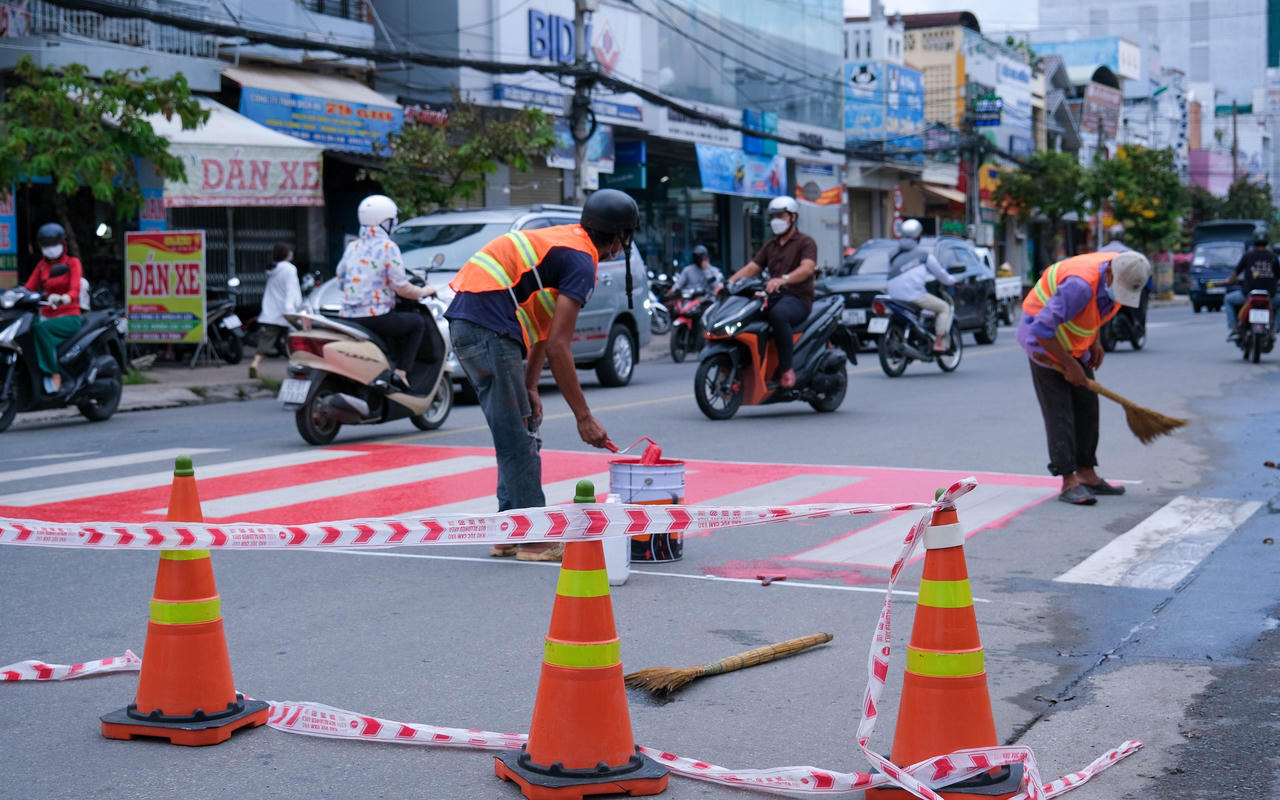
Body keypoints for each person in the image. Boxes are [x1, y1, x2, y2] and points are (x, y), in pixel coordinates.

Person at [446, 189, 638, 563]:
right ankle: (535, 540)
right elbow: (561, 347)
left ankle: (508, 530)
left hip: (471, 323)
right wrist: (583, 417)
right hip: (488, 327)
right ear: (619, 238)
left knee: (515, 427)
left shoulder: (565, 242)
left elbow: (544, 333)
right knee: (520, 438)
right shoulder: (582, 260)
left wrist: (531, 386)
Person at [1017, 250, 1152, 506]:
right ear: (1110, 273)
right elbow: (1041, 329)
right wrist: (1069, 365)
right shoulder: (1079, 286)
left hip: (1072, 342)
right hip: (1043, 344)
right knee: (1060, 411)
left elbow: (1095, 311)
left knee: (1087, 405)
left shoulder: (1126, 266)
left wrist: (1095, 341)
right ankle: (1069, 480)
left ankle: (1087, 473)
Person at [335, 195, 435, 392]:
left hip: (347, 317)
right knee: (417, 323)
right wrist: (424, 291)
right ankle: (401, 373)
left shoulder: (353, 246)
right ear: (385, 222)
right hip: (376, 317)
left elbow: (341, 279)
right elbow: (401, 287)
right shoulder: (389, 247)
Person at [728, 196, 816, 388]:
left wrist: (784, 279)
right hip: (774, 297)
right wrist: (729, 283)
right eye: (773, 216)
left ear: (793, 217)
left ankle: (786, 368)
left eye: (780, 216)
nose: (776, 220)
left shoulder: (805, 242)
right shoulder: (770, 245)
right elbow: (752, 268)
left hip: (798, 298)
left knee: (778, 315)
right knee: (746, 316)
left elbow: (807, 268)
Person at [23, 222, 83, 394]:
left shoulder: (72, 263)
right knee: (27, 327)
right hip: (47, 314)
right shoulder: (42, 266)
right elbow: (29, 288)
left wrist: (65, 298)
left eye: (53, 244)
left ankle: (53, 373)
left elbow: (74, 289)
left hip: (70, 315)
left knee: (41, 329)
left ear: (62, 244)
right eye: (45, 245)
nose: (50, 249)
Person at [885, 218, 958, 352]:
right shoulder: (923, 255)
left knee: (926, 310)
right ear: (918, 236)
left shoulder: (892, 255)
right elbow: (941, 274)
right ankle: (938, 343)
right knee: (944, 308)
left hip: (894, 296)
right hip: (914, 296)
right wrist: (953, 280)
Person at [249, 242, 303, 379]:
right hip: (286, 310)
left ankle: (255, 364)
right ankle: (297, 366)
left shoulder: (273, 270)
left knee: (266, 339)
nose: (291, 253)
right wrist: (290, 310)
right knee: (294, 339)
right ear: (286, 254)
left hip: (271, 311)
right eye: (289, 251)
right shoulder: (290, 269)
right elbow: (291, 290)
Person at [1223, 230, 1279, 338]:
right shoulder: (1273, 257)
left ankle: (1234, 328)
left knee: (1228, 299)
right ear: (1267, 241)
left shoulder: (1248, 256)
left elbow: (1235, 273)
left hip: (1248, 296)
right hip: (1269, 297)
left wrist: (1228, 281)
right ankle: (1275, 328)